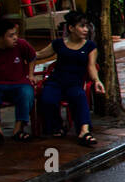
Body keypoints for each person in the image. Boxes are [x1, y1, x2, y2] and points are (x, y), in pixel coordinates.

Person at [37, 11, 107, 146]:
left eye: (86, 26)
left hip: (75, 83)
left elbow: (91, 66)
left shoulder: (90, 46)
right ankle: (58, 125)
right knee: (47, 99)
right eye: (82, 26)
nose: (86, 30)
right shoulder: (58, 44)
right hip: (56, 81)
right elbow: (38, 55)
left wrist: (97, 80)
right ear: (71, 28)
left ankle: (84, 131)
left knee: (80, 97)